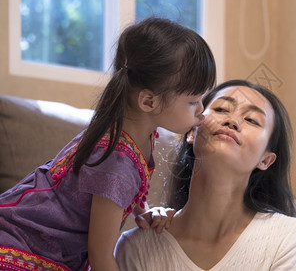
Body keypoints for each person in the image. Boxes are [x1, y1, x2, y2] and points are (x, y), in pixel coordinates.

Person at [0, 17, 216, 271]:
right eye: (193, 101)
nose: (202, 109)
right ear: (148, 102)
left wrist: (141, 210)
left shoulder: (132, 129)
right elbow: (101, 258)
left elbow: (116, 190)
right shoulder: (116, 165)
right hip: (22, 249)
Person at [115, 80, 296, 270]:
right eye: (221, 109)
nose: (232, 121)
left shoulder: (289, 237)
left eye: (252, 120)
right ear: (192, 132)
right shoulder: (135, 247)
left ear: (265, 160)